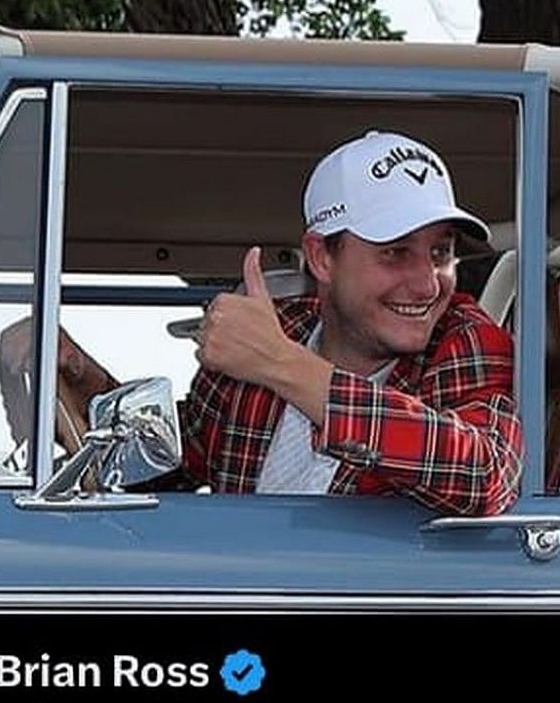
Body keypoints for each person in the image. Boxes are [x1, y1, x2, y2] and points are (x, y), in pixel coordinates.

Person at [47, 129, 523, 516]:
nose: (427, 285)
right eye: (396, 252)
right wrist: (75, 372)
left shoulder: (463, 336)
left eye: (440, 253)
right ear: (321, 257)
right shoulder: (279, 330)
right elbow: (163, 464)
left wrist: (279, 364)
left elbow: (485, 474)